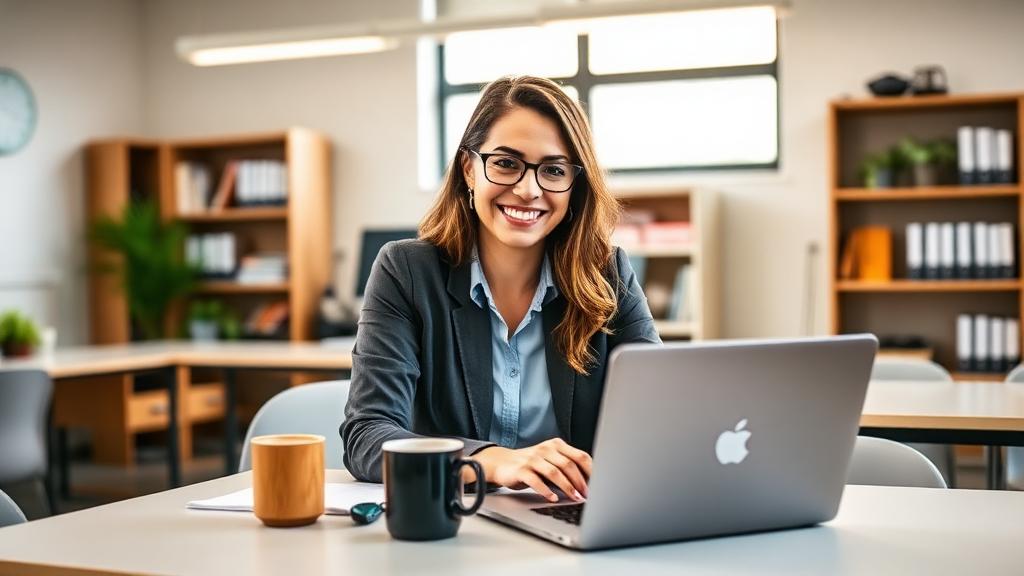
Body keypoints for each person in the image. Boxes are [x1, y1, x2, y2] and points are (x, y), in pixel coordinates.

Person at [341, 75, 660, 503]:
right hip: (455, 526)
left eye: (553, 170)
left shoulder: (608, 275)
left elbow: (661, 414)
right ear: (469, 169)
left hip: (571, 520)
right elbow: (367, 435)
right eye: (506, 163)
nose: (529, 190)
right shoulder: (408, 272)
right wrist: (492, 460)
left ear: (574, 186)